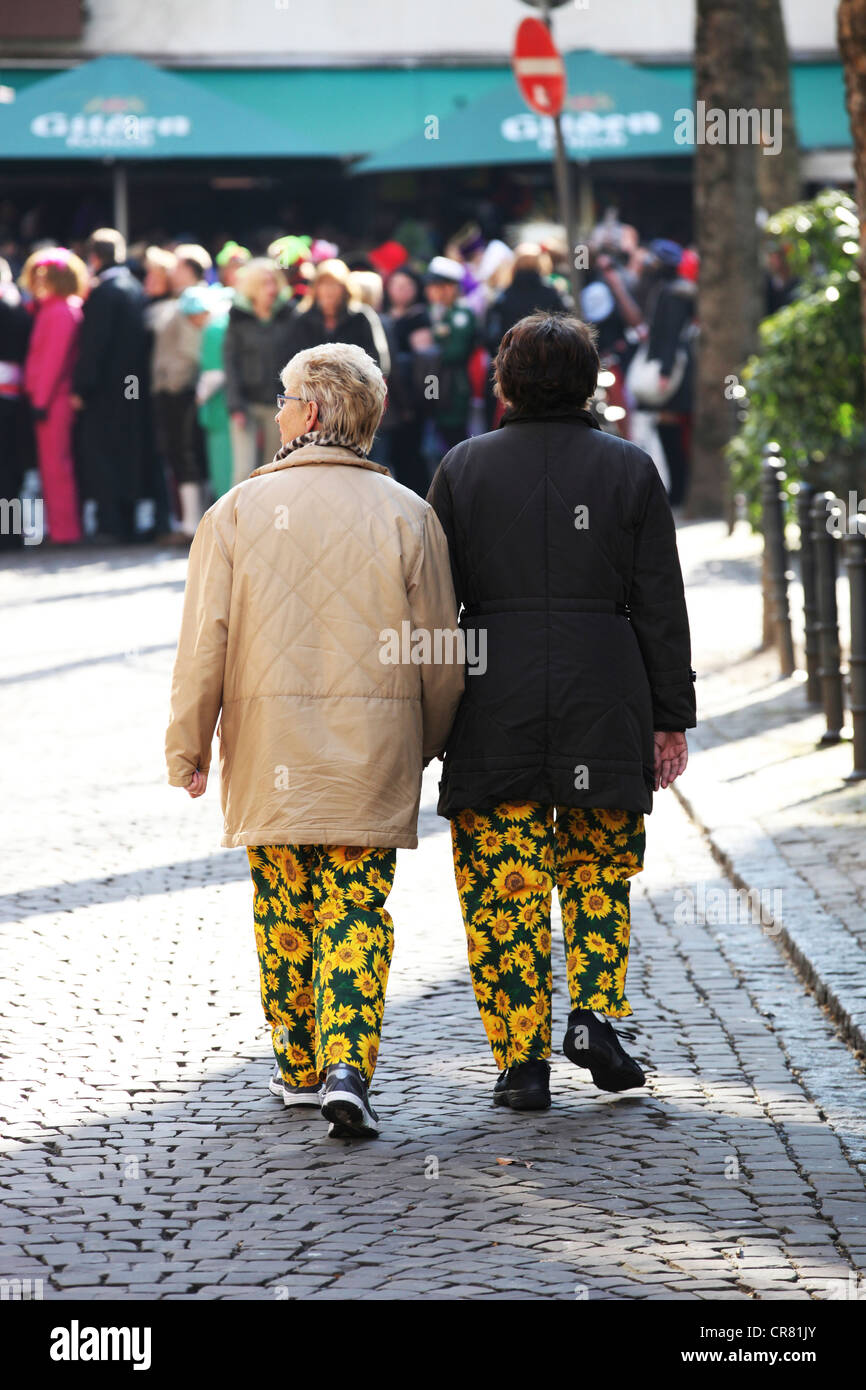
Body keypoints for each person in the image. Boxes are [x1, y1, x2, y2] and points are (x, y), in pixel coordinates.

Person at [165, 343, 463, 1139]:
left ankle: (299, 1066)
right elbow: (440, 653)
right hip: (373, 750)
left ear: (314, 412)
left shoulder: (234, 514)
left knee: (284, 904)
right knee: (357, 907)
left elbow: (205, 648)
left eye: (285, 395)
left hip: (271, 750)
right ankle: (347, 1066)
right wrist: (423, 740)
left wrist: (188, 748)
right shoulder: (409, 514)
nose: (277, 408)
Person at [426, 312, 696, 1113]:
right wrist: (669, 716)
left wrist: (430, 713)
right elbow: (659, 605)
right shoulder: (630, 470)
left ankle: (521, 1060)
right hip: (604, 690)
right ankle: (593, 1012)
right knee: (600, 868)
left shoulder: (463, 469)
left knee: (502, 882)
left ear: (503, 382)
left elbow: (436, 605)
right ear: (592, 382)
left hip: (491, 695)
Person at [71, 228, 148, 543]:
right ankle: (128, 522)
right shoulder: (134, 287)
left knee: (103, 455)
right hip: (133, 388)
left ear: (94, 257)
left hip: (106, 391)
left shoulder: (104, 292)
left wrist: (81, 387)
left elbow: (95, 346)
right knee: (129, 453)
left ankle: (111, 524)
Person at [20, 248, 88, 545]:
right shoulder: (55, 308)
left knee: (56, 467)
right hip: (49, 398)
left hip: (51, 400)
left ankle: (65, 530)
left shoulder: (61, 311)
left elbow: (53, 360)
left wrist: (40, 400)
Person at [223, 257, 296, 484]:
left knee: (277, 467)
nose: (271, 288)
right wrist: (235, 405)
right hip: (246, 402)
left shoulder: (289, 315)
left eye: (274, 282)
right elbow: (230, 362)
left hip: (280, 402)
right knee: (243, 470)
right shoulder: (238, 317)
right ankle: (241, 518)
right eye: (265, 283)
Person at [151, 283, 213, 541]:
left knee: (191, 455)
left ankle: (195, 525)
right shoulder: (183, 314)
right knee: (185, 455)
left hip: (185, 391)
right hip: (178, 391)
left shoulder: (188, 313)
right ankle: (192, 525)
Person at [283, 258, 390, 377]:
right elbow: (291, 361)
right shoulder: (302, 320)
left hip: (354, 388)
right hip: (313, 390)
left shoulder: (361, 317)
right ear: (316, 288)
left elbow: (378, 360)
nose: (329, 290)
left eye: (334, 284)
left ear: (345, 288)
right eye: (324, 283)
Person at [380, 266, 433, 494]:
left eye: (407, 286)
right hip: (388, 397)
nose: (401, 291)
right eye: (397, 285)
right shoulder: (381, 316)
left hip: (412, 395)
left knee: (411, 454)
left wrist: (428, 397)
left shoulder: (420, 317)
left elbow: (427, 360)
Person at [423, 255, 476, 452]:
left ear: (450, 288)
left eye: (436, 286)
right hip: (432, 382)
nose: (430, 291)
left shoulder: (461, 314)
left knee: (456, 441)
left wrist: (429, 349)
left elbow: (456, 352)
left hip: (453, 386)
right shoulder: (432, 311)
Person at [0, 257, 34, 551]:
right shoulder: (20, 308)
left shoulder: (9, 308)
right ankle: (10, 533)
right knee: (11, 469)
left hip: (6, 396)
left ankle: (8, 535)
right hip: (16, 395)